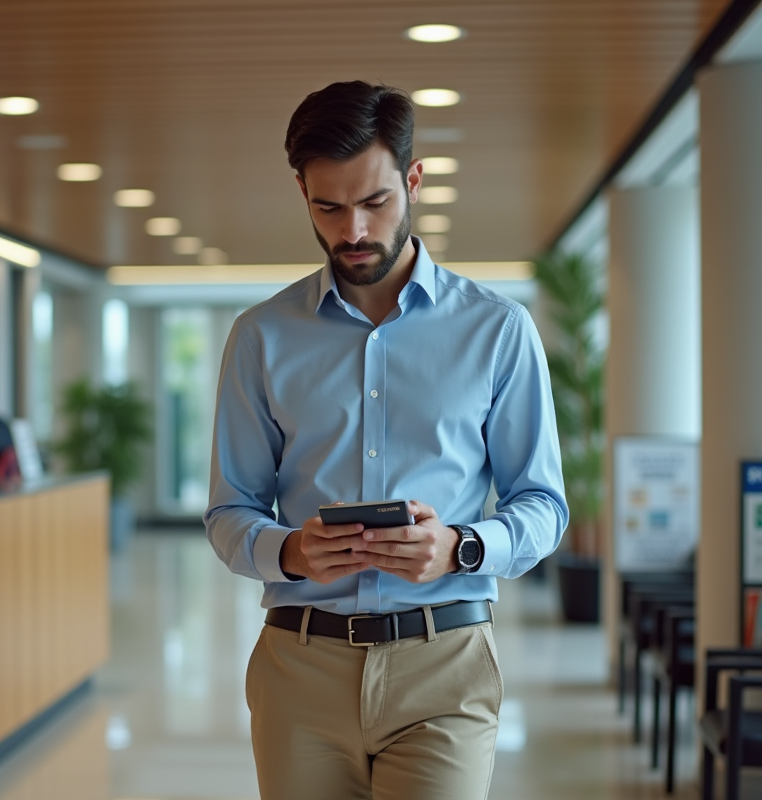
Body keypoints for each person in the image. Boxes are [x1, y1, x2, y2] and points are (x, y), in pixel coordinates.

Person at [204, 81, 568, 800]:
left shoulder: (497, 330)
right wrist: (290, 550)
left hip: (446, 664)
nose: (354, 232)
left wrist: (461, 546)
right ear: (302, 194)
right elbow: (229, 511)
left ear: (414, 180)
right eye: (328, 208)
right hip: (299, 667)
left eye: (375, 203)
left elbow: (544, 504)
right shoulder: (260, 336)